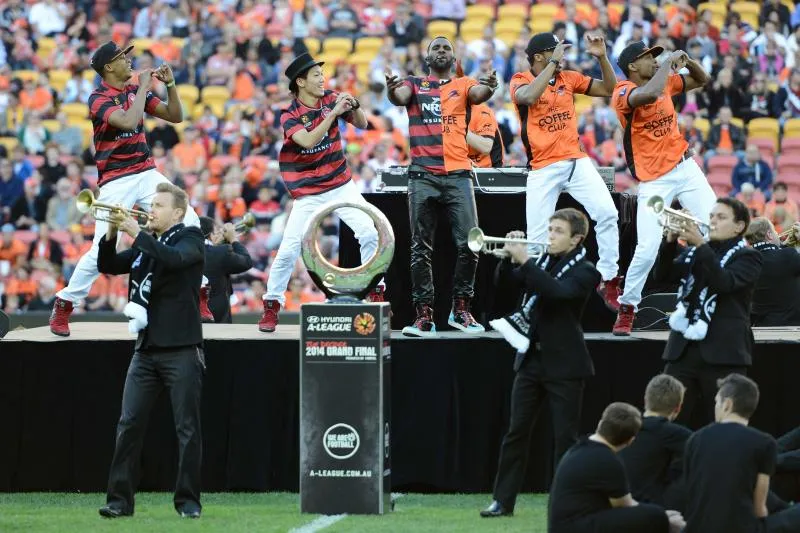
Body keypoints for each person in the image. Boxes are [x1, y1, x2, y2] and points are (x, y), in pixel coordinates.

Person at [48, 41, 203, 337]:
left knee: (190, 220)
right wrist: (144, 86)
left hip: (145, 171)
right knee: (101, 249)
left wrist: (170, 85)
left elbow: (175, 115)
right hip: (116, 179)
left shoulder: (133, 90)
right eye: (122, 57)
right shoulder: (97, 98)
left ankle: (202, 289)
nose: (130, 60)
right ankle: (65, 302)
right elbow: (128, 120)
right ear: (109, 67)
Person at [481, 208, 601, 517]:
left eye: (558, 231)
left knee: (565, 438)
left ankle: (565, 503)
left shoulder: (587, 271)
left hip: (566, 364)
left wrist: (525, 260)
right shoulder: (542, 262)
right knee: (515, 433)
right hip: (531, 359)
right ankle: (502, 501)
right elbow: (507, 287)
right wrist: (509, 258)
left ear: (576, 239)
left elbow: (557, 294)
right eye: (549, 229)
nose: (550, 236)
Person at [96, 182, 205, 519]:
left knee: (187, 429)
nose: (150, 210)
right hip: (145, 351)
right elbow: (109, 265)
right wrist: (113, 231)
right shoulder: (148, 246)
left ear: (177, 212)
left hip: (182, 349)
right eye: (151, 204)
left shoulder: (191, 238)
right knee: (128, 425)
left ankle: (187, 502)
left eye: (158, 205)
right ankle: (119, 501)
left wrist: (137, 233)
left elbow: (175, 260)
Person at [258, 53, 382, 333]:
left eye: (321, 74)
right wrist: (335, 114)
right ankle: (271, 306)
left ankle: (374, 291)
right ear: (300, 82)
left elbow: (362, 123)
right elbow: (308, 139)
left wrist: (355, 104)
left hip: (340, 185)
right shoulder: (288, 114)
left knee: (370, 232)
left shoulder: (332, 97)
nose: (322, 78)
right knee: (289, 251)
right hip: (309, 193)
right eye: (315, 75)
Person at [384, 36, 497, 337]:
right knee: (420, 248)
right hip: (422, 174)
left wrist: (491, 85)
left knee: (470, 243)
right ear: (428, 58)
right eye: (437, 48)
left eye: (447, 47)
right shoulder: (414, 84)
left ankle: (461, 310)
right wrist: (391, 88)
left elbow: (480, 92)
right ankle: (424, 316)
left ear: (454, 56)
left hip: (459, 174)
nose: (442, 51)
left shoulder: (463, 85)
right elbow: (400, 96)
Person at [510, 32, 623, 312]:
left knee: (608, 214)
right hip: (543, 167)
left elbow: (610, 88)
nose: (562, 56)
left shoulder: (568, 78)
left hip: (576, 161)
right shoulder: (520, 80)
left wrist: (602, 58)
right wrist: (552, 65)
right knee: (537, 239)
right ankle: (531, 299)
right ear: (539, 56)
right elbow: (527, 97)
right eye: (555, 51)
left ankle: (608, 278)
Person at [611, 42, 717, 335]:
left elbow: (702, 79)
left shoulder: (665, 80)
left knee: (715, 228)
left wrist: (688, 61)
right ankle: (627, 308)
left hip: (685, 167)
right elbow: (648, 94)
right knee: (646, 247)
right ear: (633, 66)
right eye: (648, 58)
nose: (655, 61)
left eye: (656, 57)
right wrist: (670, 64)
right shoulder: (623, 91)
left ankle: (717, 298)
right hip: (654, 178)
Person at [654, 198, 762, 429]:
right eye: (712, 216)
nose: (712, 221)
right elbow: (661, 277)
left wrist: (700, 245)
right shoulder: (696, 252)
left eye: (721, 217)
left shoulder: (748, 256)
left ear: (739, 227)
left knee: (723, 426)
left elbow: (724, 282)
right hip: (683, 351)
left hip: (723, 353)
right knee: (666, 422)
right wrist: (670, 242)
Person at [683, 373, 800, 532]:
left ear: (727, 405)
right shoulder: (763, 442)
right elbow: (760, 510)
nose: (716, 407)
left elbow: (690, 495)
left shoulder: (694, 439)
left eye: (717, 402)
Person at [546, 402, 685, 533]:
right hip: (574, 527)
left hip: (565, 524)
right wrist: (663, 516)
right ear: (631, 440)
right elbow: (626, 505)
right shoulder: (607, 459)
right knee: (654, 516)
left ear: (600, 424)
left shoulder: (580, 447)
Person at [619, 374, 691, 510]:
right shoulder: (675, 434)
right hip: (652, 510)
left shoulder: (623, 428)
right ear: (678, 408)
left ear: (645, 399)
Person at [199, 216, 254, 324]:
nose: (220, 233)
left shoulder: (185, 250)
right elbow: (247, 261)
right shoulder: (221, 252)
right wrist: (233, 238)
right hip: (218, 317)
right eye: (217, 231)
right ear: (211, 235)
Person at [747, 218, 800, 326]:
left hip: (759, 328)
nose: (778, 234)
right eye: (775, 231)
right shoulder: (788, 256)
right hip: (790, 329)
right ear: (769, 235)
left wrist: (782, 247)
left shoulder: (746, 260)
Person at [466, 102, 504, 168]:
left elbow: (486, 147)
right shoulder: (446, 112)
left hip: (488, 170)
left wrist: (459, 129)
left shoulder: (482, 111)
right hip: (462, 168)